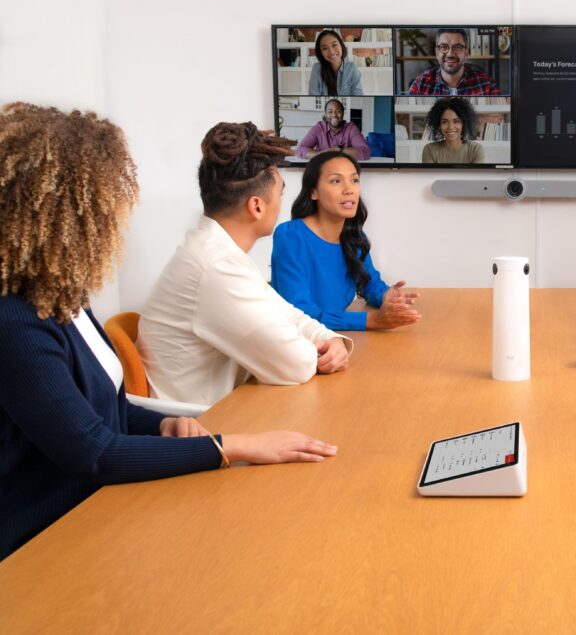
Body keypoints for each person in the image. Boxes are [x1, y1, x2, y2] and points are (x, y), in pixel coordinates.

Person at [0, 103, 338, 561]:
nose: (116, 218)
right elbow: (94, 452)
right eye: (104, 205)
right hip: (47, 542)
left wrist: (162, 425)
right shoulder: (15, 322)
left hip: (105, 508)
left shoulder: (62, 298)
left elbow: (108, 411)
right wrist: (232, 446)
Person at [137, 122, 354, 406]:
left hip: (233, 407)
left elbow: (288, 314)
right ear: (257, 206)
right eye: (279, 194)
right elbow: (296, 364)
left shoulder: (221, 253)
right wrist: (318, 348)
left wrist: (330, 340)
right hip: (204, 426)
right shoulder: (215, 266)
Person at [272, 151, 420, 331]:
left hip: (337, 337)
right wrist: (370, 320)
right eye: (336, 181)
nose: (349, 189)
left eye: (354, 180)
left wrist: (386, 297)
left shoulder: (354, 237)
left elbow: (369, 283)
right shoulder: (291, 236)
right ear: (313, 192)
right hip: (301, 342)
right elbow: (299, 312)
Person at [406, 28, 500, 95]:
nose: (450, 54)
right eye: (443, 47)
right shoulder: (420, 84)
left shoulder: (487, 84)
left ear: (466, 53)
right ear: (437, 53)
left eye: (457, 47)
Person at [296, 99, 370, 161]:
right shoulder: (318, 128)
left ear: (343, 114)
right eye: (330, 112)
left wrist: (338, 150)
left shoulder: (351, 129)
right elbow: (300, 149)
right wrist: (321, 155)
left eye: (338, 111)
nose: (334, 115)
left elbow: (365, 151)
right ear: (325, 114)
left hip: (345, 168)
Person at [421, 97, 485, 164]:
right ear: (438, 124)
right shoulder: (429, 150)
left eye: (456, 121)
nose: (450, 127)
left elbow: (477, 174)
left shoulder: (476, 150)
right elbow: (430, 174)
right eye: (444, 122)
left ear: (464, 123)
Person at [308, 29, 364, 96]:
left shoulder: (352, 68)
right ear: (320, 52)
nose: (331, 52)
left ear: (341, 45)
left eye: (334, 45)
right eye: (325, 48)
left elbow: (358, 96)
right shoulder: (317, 69)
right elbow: (313, 97)